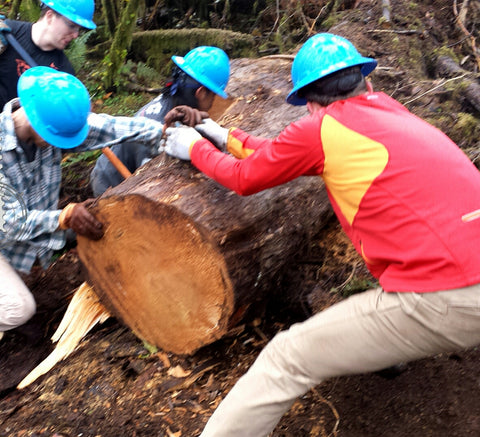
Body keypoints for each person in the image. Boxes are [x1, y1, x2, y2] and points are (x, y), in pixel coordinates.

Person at [163, 33, 480, 436]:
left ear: (310, 105)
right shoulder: (389, 111)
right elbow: (279, 153)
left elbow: (244, 179)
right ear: (366, 83)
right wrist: (219, 135)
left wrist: (192, 148)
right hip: (468, 271)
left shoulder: (322, 130)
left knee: (285, 357)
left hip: (450, 293)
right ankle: (380, 349)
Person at [0, 66, 167, 339]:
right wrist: (62, 217)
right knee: (18, 308)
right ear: (34, 121)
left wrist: (164, 132)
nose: (61, 145)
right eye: (56, 139)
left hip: (20, 231)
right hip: (6, 227)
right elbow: (9, 223)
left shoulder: (48, 122)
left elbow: (110, 127)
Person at [90, 46, 230, 196]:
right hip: (111, 184)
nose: (213, 102)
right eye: (213, 96)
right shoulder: (160, 125)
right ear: (201, 92)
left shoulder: (173, 102)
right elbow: (151, 181)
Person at [0, 0, 96, 110]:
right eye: (71, 25)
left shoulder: (63, 72)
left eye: (79, 29)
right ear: (50, 16)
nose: (75, 35)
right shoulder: (7, 32)